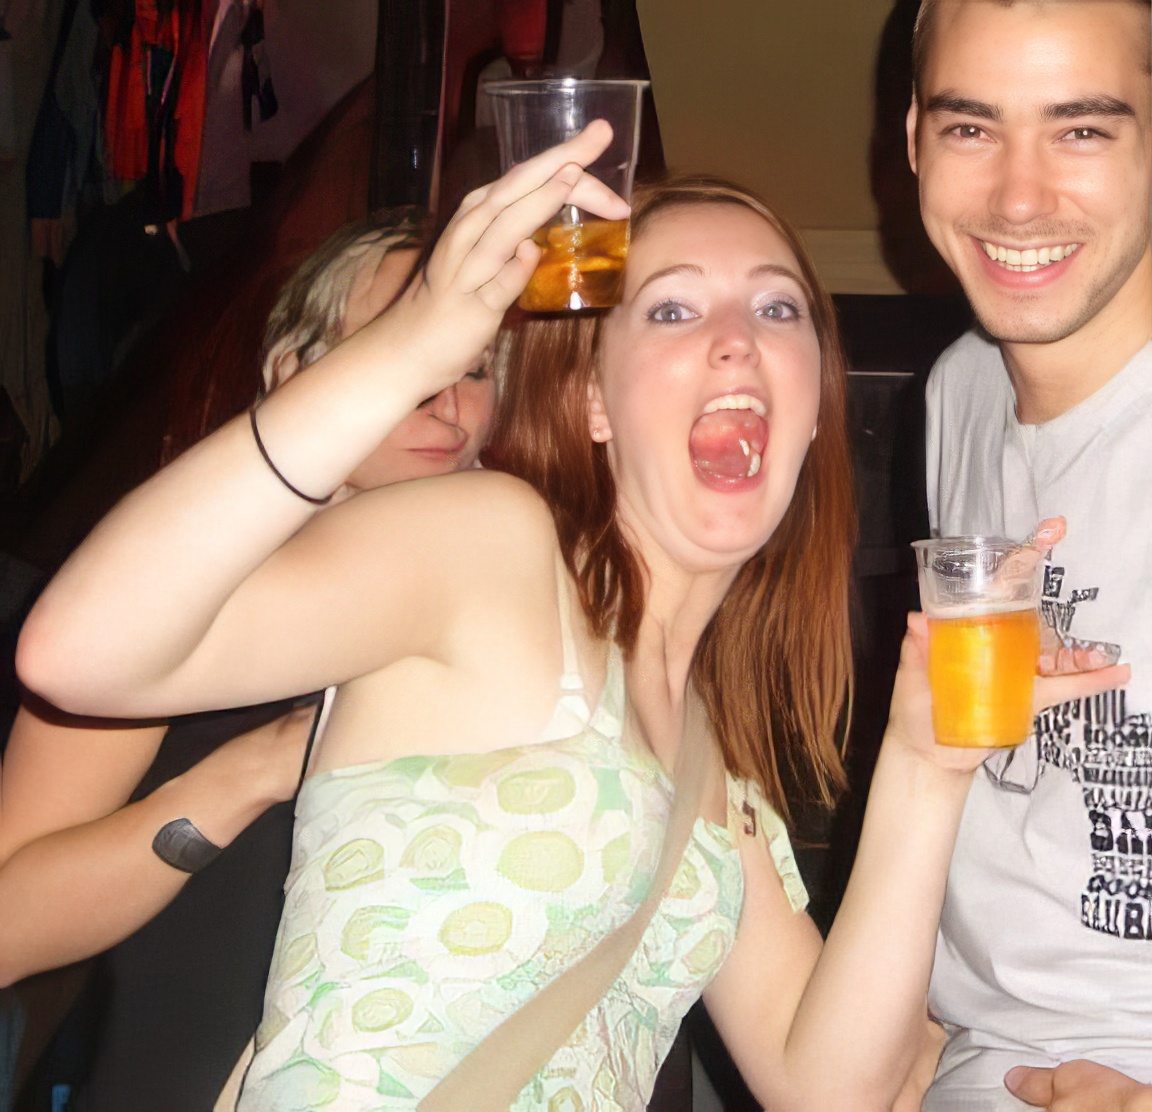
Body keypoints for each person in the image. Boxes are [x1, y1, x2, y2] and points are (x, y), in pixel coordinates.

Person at [15, 125, 1119, 1110]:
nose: (737, 339)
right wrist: (410, 342)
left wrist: (927, 763)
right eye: (674, 307)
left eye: (778, 306)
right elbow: (80, 652)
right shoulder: (497, 549)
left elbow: (830, 1084)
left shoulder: (710, 767)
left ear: (817, 399)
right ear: (590, 396)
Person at [0, 217, 495, 1108]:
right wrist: (256, 769)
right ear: (290, 374)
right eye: (405, 348)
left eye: (476, 367)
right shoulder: (158, 594)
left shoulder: (514, 597)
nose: (448, 402)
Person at [905, 0, 1152, 1108]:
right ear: (913, 138)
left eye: (1082, 130)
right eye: (971, 128)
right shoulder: (961, 388)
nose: (1017, 197)